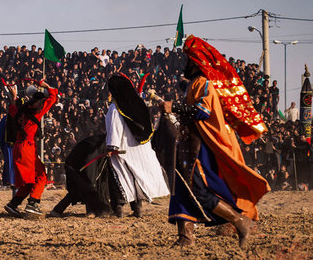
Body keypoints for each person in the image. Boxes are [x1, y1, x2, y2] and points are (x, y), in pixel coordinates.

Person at [161, 35, 271, 248]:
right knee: (181, 188)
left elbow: (203, 111)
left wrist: (173, 107)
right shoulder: (194, 83)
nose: (186, 63)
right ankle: (186, 236)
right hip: (187, 144)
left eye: (189, 59)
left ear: (196, 62)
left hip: (199, 147)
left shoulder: (205, 84)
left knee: (200, 191)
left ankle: (240, 222)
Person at [104, 74, 170, 217]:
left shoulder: (115, 108)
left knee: (119, 177)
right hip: (141, 149)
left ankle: (118, 208)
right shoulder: (138, 104)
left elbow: (115, 128)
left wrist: (111, 147)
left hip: (122, 149)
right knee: (137, 175)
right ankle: (137, 209)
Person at [4, 80, 58, 218]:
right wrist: (46, 86)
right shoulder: (37, 113)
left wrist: (13, 96)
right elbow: (53, 97)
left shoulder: (20, 111)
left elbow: (12, 108)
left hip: (18, 147)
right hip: (27, 148)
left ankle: (13, 204)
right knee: (41, 176)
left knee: (29, 181)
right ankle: (33, 204)